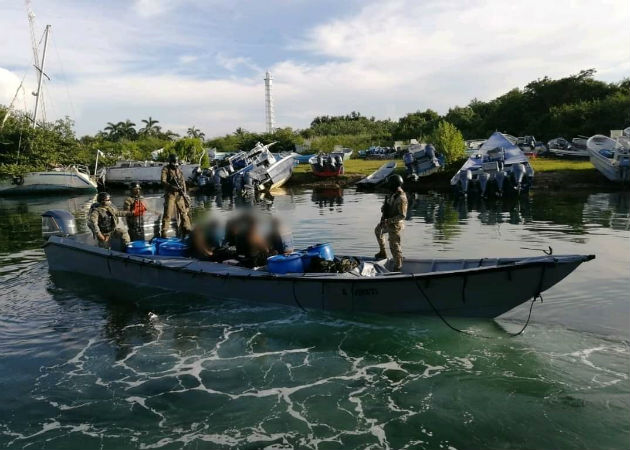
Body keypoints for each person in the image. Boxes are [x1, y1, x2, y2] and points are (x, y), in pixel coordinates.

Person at [374, 174, 408, 271]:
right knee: (378, 230)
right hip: (388, 221)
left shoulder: (401, 198)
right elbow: (389, 206)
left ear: (394, 185)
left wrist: (388, 221)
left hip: (396, 224)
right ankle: (383, 252)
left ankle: (398, 266)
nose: (388, 186)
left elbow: (402, 215)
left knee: (394, 245)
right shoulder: (394, 194)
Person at [161, 154, 192, 238]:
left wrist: (184, 193)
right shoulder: (166, 169)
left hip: (180, 195)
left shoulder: (179, 170)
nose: (175, 164)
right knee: (168, 213)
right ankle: (164, 231)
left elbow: (183, 182)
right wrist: (172, 187)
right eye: (174, 162)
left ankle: (187, 229)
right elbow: (163, 181)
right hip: (170, 194)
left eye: (176, 162)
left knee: (184, 213)